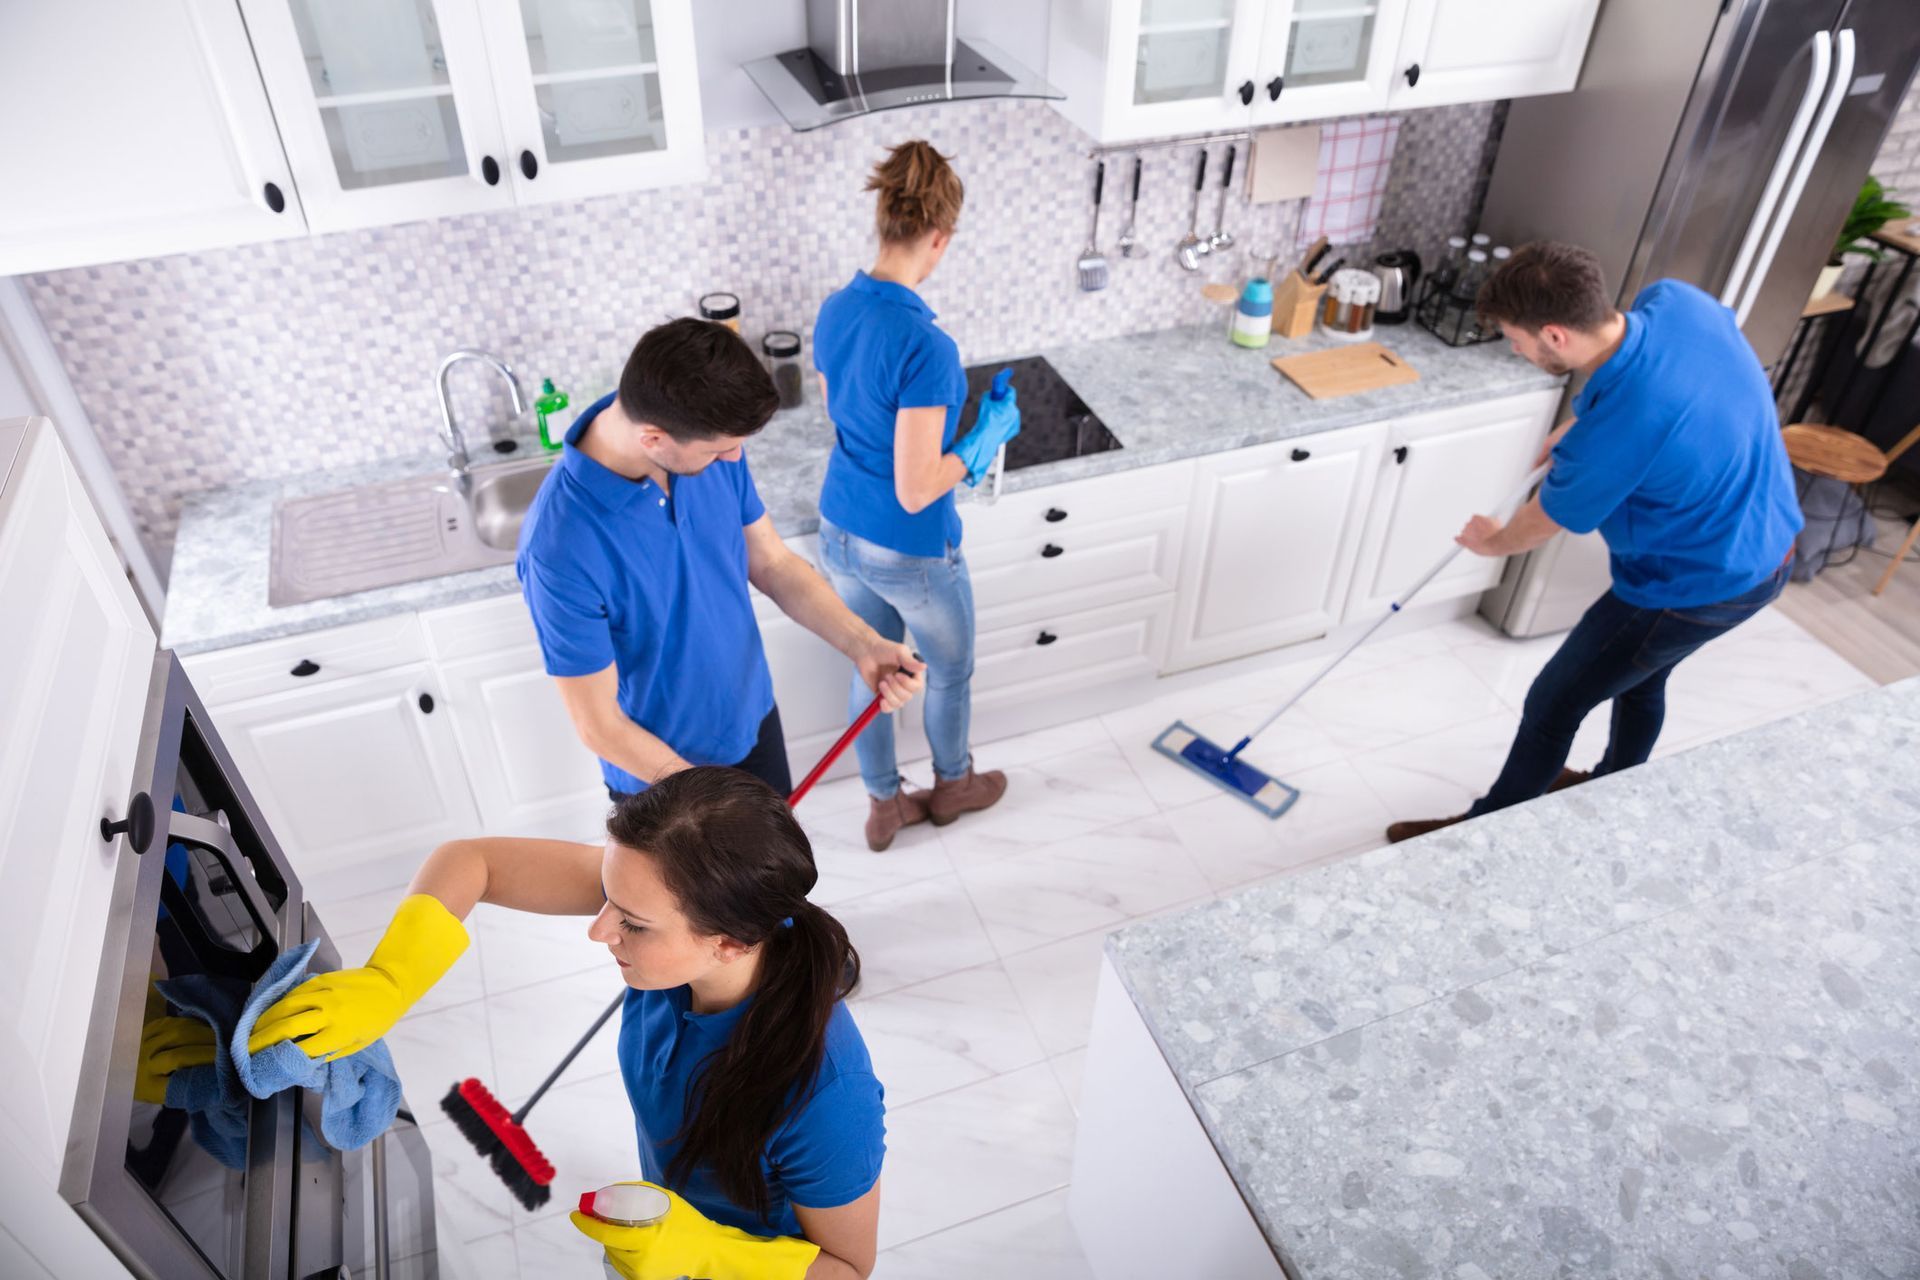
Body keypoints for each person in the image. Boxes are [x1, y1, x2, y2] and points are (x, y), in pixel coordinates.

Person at [242, 768, 885, 1280]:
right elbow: (473, 862)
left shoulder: (826, 1096)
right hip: (656, 1244)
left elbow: (849, 1267)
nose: (600, 929)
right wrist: (391, 977)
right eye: (607, 896)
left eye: (631, 923)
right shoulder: (662, 906)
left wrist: (709, 1252)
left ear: (730, 944)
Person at [1387, 242, 1803, 842]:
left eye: (1514, 337)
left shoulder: (1616, 433)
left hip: (1695, 585)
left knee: (1552, 704)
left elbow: (1546, 521)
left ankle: (1477, 836)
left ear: (1554, 336)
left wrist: (1494, 540)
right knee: (1642, 677)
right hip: (1770, 543)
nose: (1513, 347)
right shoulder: (1678, 303)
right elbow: (1682, 379)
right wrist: (1586, 418)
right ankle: (1614, 785)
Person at [518, 317, 926, 800]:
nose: (733, 460)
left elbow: (772, 563)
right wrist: (710, 799)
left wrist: (864, 644)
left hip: (752, 724)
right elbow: (600, 726)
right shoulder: (559, 546)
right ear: (653, 438)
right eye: (720, 450)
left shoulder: (700, 437)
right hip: (663, 782)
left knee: (783, 878)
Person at [811, 139, 1023, 852]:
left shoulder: (837, 309)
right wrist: (981, 437)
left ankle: (882, 806)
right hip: (909, 551)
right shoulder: (927, 346)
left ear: (883, 222)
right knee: (945, 673)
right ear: (940, 237)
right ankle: (952, 787)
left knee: (873, 666)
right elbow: (913, 489)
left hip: (838, 529)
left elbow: (836, 410)